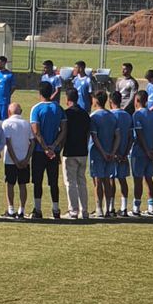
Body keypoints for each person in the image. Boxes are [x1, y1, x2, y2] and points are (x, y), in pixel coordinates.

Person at [29, 82, 63, 220]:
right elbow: (64, 129)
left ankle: (37, 209)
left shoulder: (36, 109)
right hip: (54, 151)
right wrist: (54, 146)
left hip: (39, 151)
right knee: (53, 181)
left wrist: (45, 148)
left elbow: (36, 132)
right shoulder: (59, 108)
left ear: (40, 93)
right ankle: (55, 209)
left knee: (38, 181)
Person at [59, 85, 92, 221]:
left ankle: (73, 211)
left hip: (70, 151)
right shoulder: (85, 114)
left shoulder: (66, 114)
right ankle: (84, 210)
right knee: (82, 181)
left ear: (67, 99)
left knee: (70, 182)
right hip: (83, 151)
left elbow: (63, 133)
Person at [87, 87, 119, 219]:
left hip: (97, 153)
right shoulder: (112, 116)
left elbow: (95, 138)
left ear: (95, 100)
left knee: (98, 181)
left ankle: (99, 208)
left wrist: (103, 152)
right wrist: (112, 151)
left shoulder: (93, 117)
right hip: (110, 153)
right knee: (107, 180)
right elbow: (118, 136)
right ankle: (108, 208)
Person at [1, 100, 34, 219]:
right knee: (22, 184)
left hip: (10, 160)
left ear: (9, 112)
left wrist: (14, 159)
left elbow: (8, 143)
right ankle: (22, 209)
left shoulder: (6, 123)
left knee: (10, 184)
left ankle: (11, 209)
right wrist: (26, 158)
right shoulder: (26, 123)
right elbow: (32, 142)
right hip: (24, 159)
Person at [129, 90, 153, 215]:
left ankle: (136, 207)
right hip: (151, 152)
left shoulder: (137, 115)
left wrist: (146, 150)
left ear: (137, 100)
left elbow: (139, 134)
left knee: (138, 180)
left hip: (140, 152)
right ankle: (151, 207)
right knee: (149, 179)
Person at [111, 89, 134, 215]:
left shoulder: (110, 115)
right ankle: (124, 208)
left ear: (111, 101)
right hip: (124, 153)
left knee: (111, 180)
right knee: (122, 179)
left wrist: (113, 152)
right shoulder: (127, 116)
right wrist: (126, 153)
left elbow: (110, 136)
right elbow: (131, 137)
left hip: (113, 153)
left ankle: (111, 207)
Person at [0, 55, 15, 121]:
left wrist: (7, 95)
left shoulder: (10, 75)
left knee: (5, 120)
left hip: (5, 102)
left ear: (4, 63)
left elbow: (13, 87)